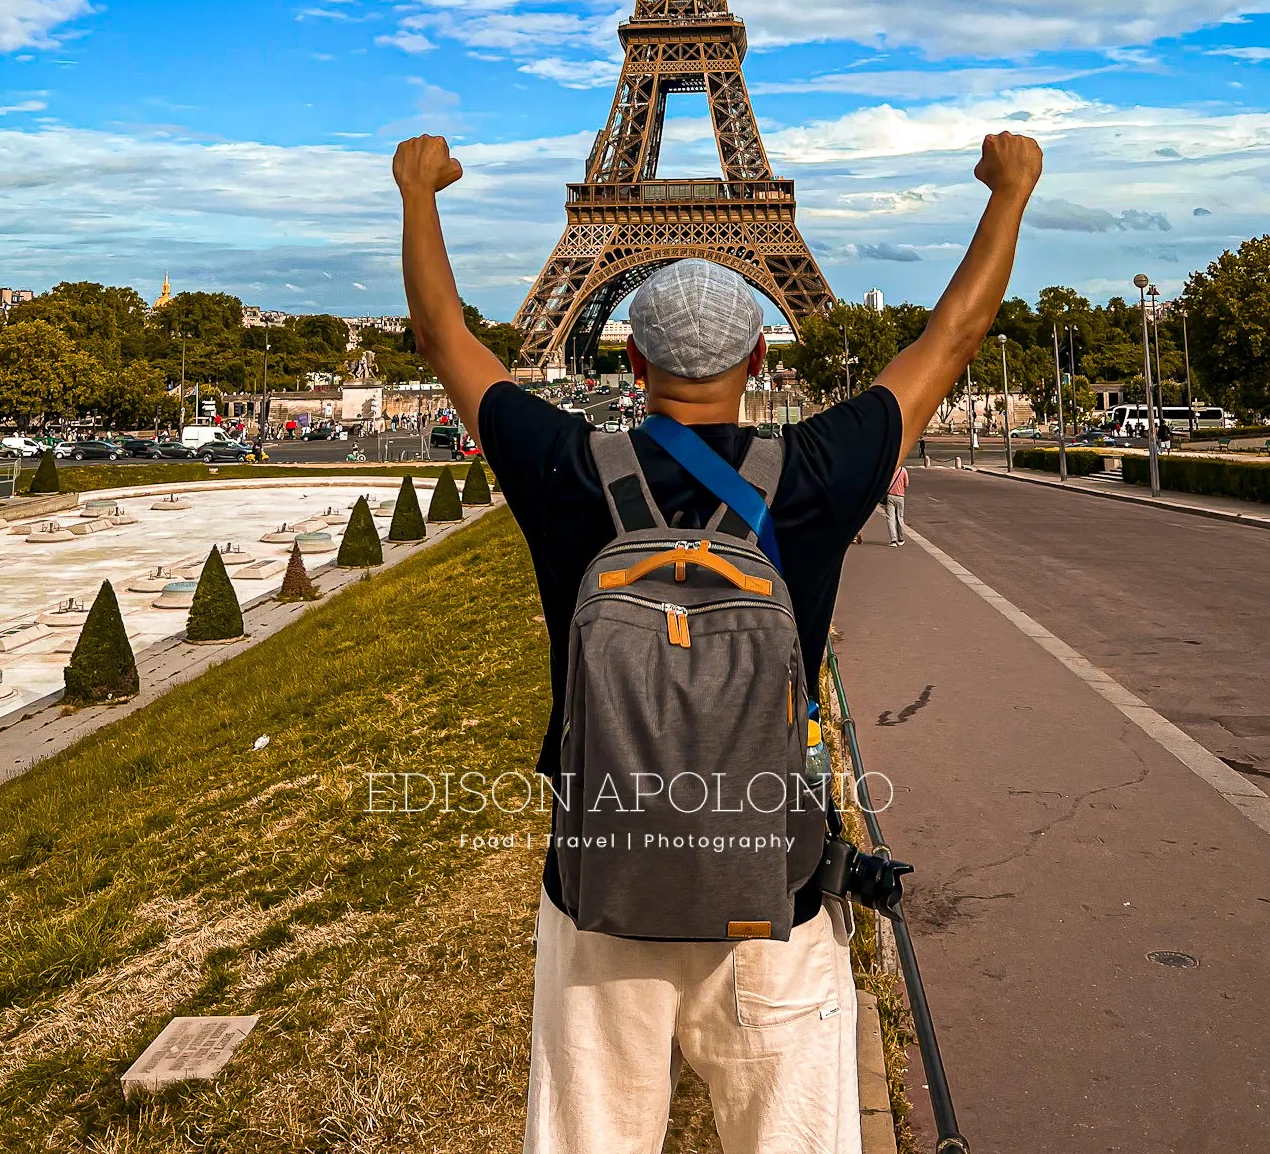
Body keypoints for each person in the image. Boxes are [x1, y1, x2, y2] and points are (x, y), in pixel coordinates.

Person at [394, 127, 1043, 1154]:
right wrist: (1010, 192)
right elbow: (951, 340)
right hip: (772, 888)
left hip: (600, 880)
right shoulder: (817, 469)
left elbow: (442, 335)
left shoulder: (564, 463)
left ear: (633, 355)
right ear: (759, 353)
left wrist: (418, 191)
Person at [884, 458, 908, 546]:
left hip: (889, 496)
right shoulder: (903, 470)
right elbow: (906, 484)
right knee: (900, 517)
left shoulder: (889, 471)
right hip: (900, 496)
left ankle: (893, 540)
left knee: (890, 518)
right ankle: (901, 538)